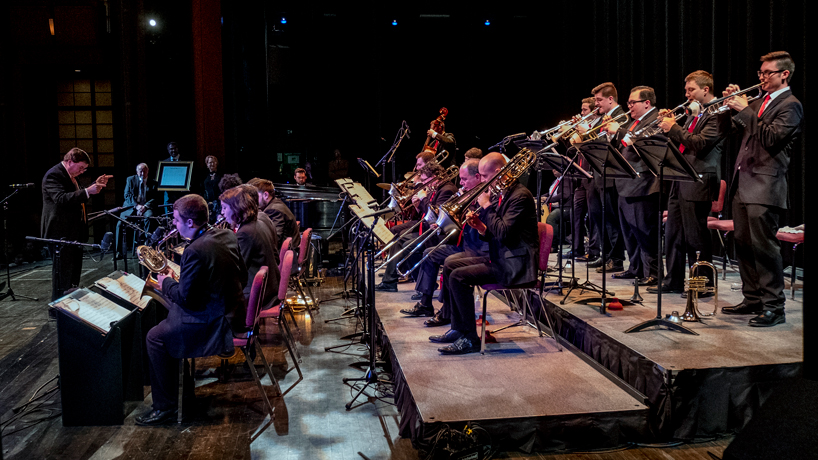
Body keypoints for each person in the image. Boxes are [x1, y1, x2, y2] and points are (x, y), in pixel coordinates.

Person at [136, 194, 247, 426]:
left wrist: (166, 281)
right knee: (167, 326)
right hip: (230, 310)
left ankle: (167, 407)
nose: (174, 226)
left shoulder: (194, 250)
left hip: (215, 322)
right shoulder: (226, 235)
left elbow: (186, 299)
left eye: (176, 221)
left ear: (189, 222)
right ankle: (183, 397)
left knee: (155, 337)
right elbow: (242, 276)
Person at [720, 51, 803, 327]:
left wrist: (744, 109)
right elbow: (727, 131)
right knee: (743, 245)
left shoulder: (791, 105)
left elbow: (769, 138)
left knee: (764, 248)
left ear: (784, 74)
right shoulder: (757, 102)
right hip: (743, 184)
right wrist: (726, 106)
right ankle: (752, 298)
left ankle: (774, 306)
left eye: (768, 72)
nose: (762, 77)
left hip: (766, 186)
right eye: (761, 73)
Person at [433, 152, 538, 355]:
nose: (481, 181)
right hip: (502, 257)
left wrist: (487, 207)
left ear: (498, 172)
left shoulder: (520, 196)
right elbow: (498, 233)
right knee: (451, 265)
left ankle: (470, 338)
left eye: (484, 175)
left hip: (515, 266)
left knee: (458, 276)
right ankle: (458, 328)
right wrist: (481, 227)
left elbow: (505, 234)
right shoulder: (506, 193)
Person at [649, 70, 727, 295]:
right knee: (673, 234)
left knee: (695, 237)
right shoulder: (695, 112)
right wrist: (666, 126)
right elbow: (680, 142)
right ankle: (672, 281)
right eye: (686, 90)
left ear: (706, 89)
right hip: (680, 177)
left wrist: (673, 127)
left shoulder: (716, 113)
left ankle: (703, 286)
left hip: (699, 179)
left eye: (691, 89)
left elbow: (700, 143)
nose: (687, 94)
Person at [401, 159, 488, 324]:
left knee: (447, 261)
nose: (460, 183)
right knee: (430, 253)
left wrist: (469, 207)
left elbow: (482, 227)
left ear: (477, 177)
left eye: (464, 179)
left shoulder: (482, 196)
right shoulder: (468, 194)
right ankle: (426, 304)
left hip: (475, 247)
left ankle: (447, 312)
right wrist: (444, 222)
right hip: (463, 243)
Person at [375, 162, 457, 292]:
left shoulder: (446, 190)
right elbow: (427, 212)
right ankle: (389, 281)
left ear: (435, 176)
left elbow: (436, 217)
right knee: (400, 239)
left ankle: (425, 287)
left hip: (438, 234)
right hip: (428, 229)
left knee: (409, 246)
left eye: (425, 180)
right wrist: (418, 206)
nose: (423, 183)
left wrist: (423, 199)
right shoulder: (435, 188)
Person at [608, 86, 661, 285]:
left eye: (633, 102)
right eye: (629, 102)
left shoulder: (655, 119)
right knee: (630, 232)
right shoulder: (634, 121)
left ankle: (654, 273)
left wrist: (619, 130)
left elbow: (647, 142)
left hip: (643, 183)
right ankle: (636, 268)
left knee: (644, 231)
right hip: (626, 182)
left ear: (647, 103)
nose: (629, 106)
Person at [41, 148, 110, 300]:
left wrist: (93, 187)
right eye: (80, 168)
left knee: (73, 270)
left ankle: (70, 303)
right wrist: (87, 191)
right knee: (62, 271)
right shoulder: (54, 175)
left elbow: (75, 197)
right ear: (70, 161)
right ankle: (57, 307)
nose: (82, 172)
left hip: (73, 231)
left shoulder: (71, 175)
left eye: (84, 169)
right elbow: (61, 198)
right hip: (59, 232)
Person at [587, 83, 627, 272]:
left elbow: (614, 144)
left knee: (611, 219)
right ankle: (606, 254)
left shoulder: (622, 117)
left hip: (611, 174)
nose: (596, 104)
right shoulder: (602, 118)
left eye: (599, 100)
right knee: (598, 216)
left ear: (611, 99)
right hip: (597, 173)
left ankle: (616, 258)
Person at [220, 185, 280, 310]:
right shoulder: (256, 223)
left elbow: (237, 272)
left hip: (257, 296)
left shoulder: (245, 233)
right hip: (269, 289)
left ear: (236, 209)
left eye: (225, 208)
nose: (222, 212)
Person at [566, 97, 601, 261]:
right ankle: (577, 248)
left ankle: (594, 251)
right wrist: (572, 134)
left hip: (592, 176)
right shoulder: (584, 130)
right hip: (580, 177)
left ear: (594, 111)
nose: (581, 113)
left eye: (585, 110)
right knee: (576, 213)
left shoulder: (595, 128)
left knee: (594, 215)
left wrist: (584, 132)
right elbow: (573, 152)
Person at [116, 163, 159, 257]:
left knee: (150, 218)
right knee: (120, 224)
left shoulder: (153, 182)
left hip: (146, 207)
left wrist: (145, 206)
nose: (142, 173)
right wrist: (137, 206)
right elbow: (127, 195)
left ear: (148, 171)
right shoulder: (130, 180)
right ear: (137, 171)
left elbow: (155, 198)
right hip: (132, 206)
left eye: (144, 171)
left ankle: (149, 248)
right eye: (140, 171)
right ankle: (119, 252)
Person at [247, 178, 300, 249]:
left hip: (283, 254)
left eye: (255, 196)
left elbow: (274, 240)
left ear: (265, 195)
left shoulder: (273, 210)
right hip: (288, 252)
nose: (253, 200)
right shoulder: (275, 204)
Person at [161, 141, 185, 206]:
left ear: (178, 149)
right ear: (168, 150)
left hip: (182, 193)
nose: (173, 150)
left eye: (175, 148)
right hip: (169, 193)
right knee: (168, 214)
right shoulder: (164, 163)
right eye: (171, 149)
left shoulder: (185, 161)